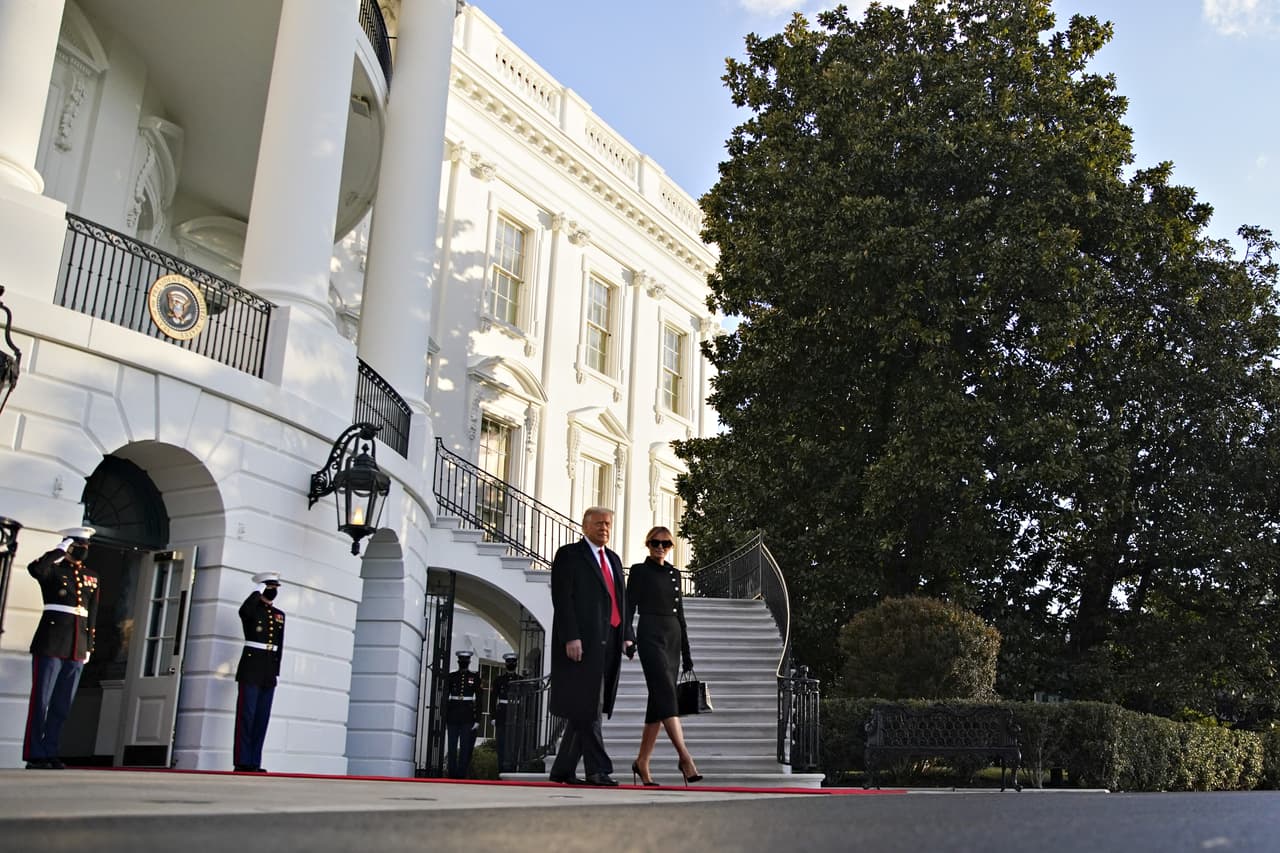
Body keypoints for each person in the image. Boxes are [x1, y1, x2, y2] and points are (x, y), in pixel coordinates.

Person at [548, 506, 634, 786]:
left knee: (584, 706)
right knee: (588, 705)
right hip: (581, 644)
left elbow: (620, 600)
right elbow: (562, 600)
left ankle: (562, 770)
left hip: (609, 641)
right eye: (598, 523)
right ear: (585, 526)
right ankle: (598, 770)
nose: (604, 528)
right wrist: (570, 637)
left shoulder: (613, 559)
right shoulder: (569, 555)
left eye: (608, 523)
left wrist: (626, 634)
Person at [624, 526, 703, 786]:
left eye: (665, 544)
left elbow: (680, 614)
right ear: (647, 544)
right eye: (655, 543)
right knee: (666, 694)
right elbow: (628, 605)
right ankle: (685, 757)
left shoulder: (674, 574)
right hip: (649, 635)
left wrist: (686, 651)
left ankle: (642, 762)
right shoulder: (639, 571)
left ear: (671, 547)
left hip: (673, 637)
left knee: (658, 701)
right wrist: (628, 635)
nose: (660, 547)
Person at [23, 526, 99, 769]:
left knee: (62, 704)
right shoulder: (52, 571)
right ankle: (36, 754)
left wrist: (88, 646)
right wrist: (59, 549)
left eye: (86, 546)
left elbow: (92, 614)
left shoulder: (91, 576)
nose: (83, 550)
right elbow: (36, 569)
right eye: (79, 545)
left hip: (76, 646)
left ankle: (51, 750)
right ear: (69, 546)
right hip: (52, 642)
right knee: (41, 702)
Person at [234, 572, 285, 772]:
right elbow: (244, 611)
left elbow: (279, 645)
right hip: (251, 667)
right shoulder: (252, 611)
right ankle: (242, 761)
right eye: (269, 587)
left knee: (261, 717)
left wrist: (275, 671)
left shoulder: (279, 615)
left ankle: (254, 761)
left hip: (268, 670)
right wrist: (257, 591)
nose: (273, 591)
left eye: (275, 588)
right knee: (246, 715)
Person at [445, 649, 482, 778]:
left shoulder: (474, 677)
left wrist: (477, 719)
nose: (463, 662)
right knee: (452, 746)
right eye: (462, 661)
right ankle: (452, 773)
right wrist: (444, 716)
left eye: (465, 661)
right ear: (458, 661)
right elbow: (445, 697)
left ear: (469, 662)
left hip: (467, 715)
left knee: (465, 747)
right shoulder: (452, 676)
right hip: (453, 714)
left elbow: (479, 699)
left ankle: (461, 774)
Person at [491, 651, 520, 773]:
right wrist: (493, 716)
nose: (511, 664)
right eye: (509, 662)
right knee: (501, 744)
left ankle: (512, 769)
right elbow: (493, 699)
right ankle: (501, 769)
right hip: (502, 714)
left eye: (513, 662)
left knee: (513, 744)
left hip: (515, 713)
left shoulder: (520, 680)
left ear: (516, 663)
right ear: (506, 664)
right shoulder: (499, 680)